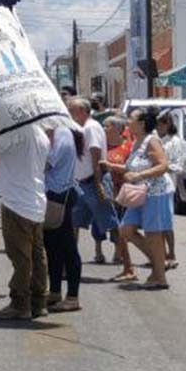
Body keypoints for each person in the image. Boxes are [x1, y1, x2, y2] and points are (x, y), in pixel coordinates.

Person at [103, 108, 172, 290]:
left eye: (131, 119)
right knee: (125, 230)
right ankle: (159, 265)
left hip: (154, 194)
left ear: (142, 124)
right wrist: (111, 166)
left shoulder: (151, 140)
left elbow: (163, 165)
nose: (127, 122)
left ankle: (160, 276)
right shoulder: (136, 142)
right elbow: (129, 168)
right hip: (139, 194)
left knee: (153, 234)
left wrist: (140, 175)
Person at [0, 124, 51, 320]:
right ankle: (38, 300)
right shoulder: (40, 133)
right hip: (35, 199)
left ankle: (20, 302)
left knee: (21, 256)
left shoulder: (15, 131)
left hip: (17, 200)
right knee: (36, 254)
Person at [68, 98, 120, 267]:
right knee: (74, 222)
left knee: (110, 221)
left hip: (93, 181)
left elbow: (95, 155)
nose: (70, 114)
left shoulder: (90, 128)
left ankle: (123, 257)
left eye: (73, 110)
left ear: (83, 111)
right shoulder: (83, 128)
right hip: (81, 184)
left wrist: (98, 184)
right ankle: (70, 260)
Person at [44, 126, 84, 313]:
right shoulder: (57, 133)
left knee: (67, 246)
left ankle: (72, 296)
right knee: (53, 248)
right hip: (53, 194)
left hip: (60, 195)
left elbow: (46, 163)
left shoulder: (62, 135)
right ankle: (54, 291)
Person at [103, 115, 134, 274]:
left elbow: (131, 168)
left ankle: (123, 255)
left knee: (123, 224)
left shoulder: (128, 147)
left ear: (116, 129)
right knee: (114, 224)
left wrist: (111, 166)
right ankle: (119, 252)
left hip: (124, 191)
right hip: (108, 192)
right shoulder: (102, 146)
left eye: (107, 126)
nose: (104, 129)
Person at [156, 111, 182, 269]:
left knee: (166, 223)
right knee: (155, 224)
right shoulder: (154, 139)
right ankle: (159, 253)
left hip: (167, 186)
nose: (160, 126)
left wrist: (161, 168)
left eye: (163, 123)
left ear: (169, 124)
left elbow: (178, 166)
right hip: (152, 186)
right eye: (158, 123)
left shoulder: (174, 142)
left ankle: (171, 254)